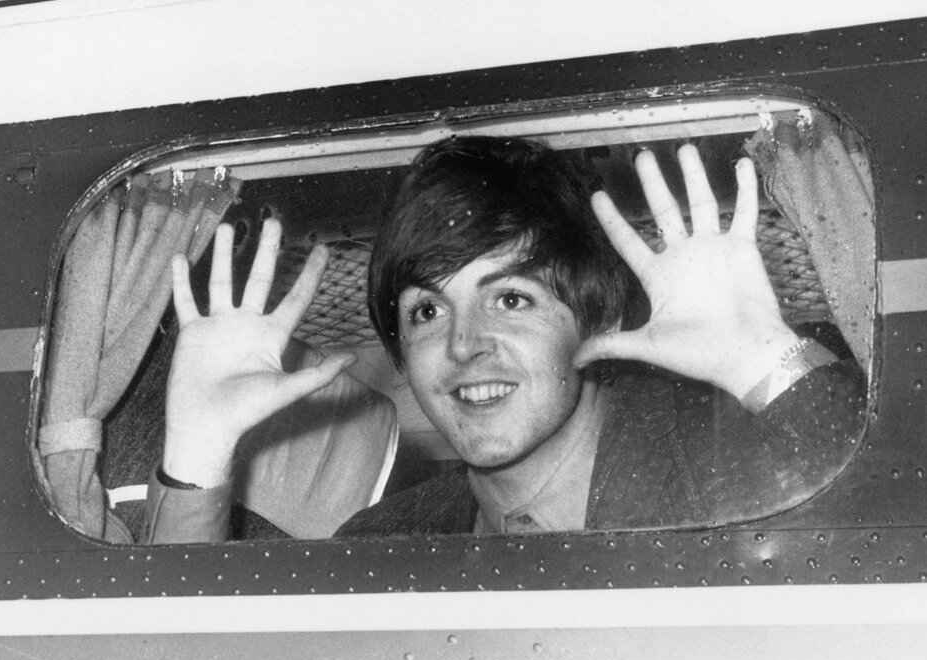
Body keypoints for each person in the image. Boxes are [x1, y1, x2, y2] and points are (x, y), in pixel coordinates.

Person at [147, 135, 864, 541]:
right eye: (427, 312)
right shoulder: (382, 545)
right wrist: (197, 455)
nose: (464, 345)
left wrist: (769, 361)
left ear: (592, 320)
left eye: (511, 298)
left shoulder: (729, 454)